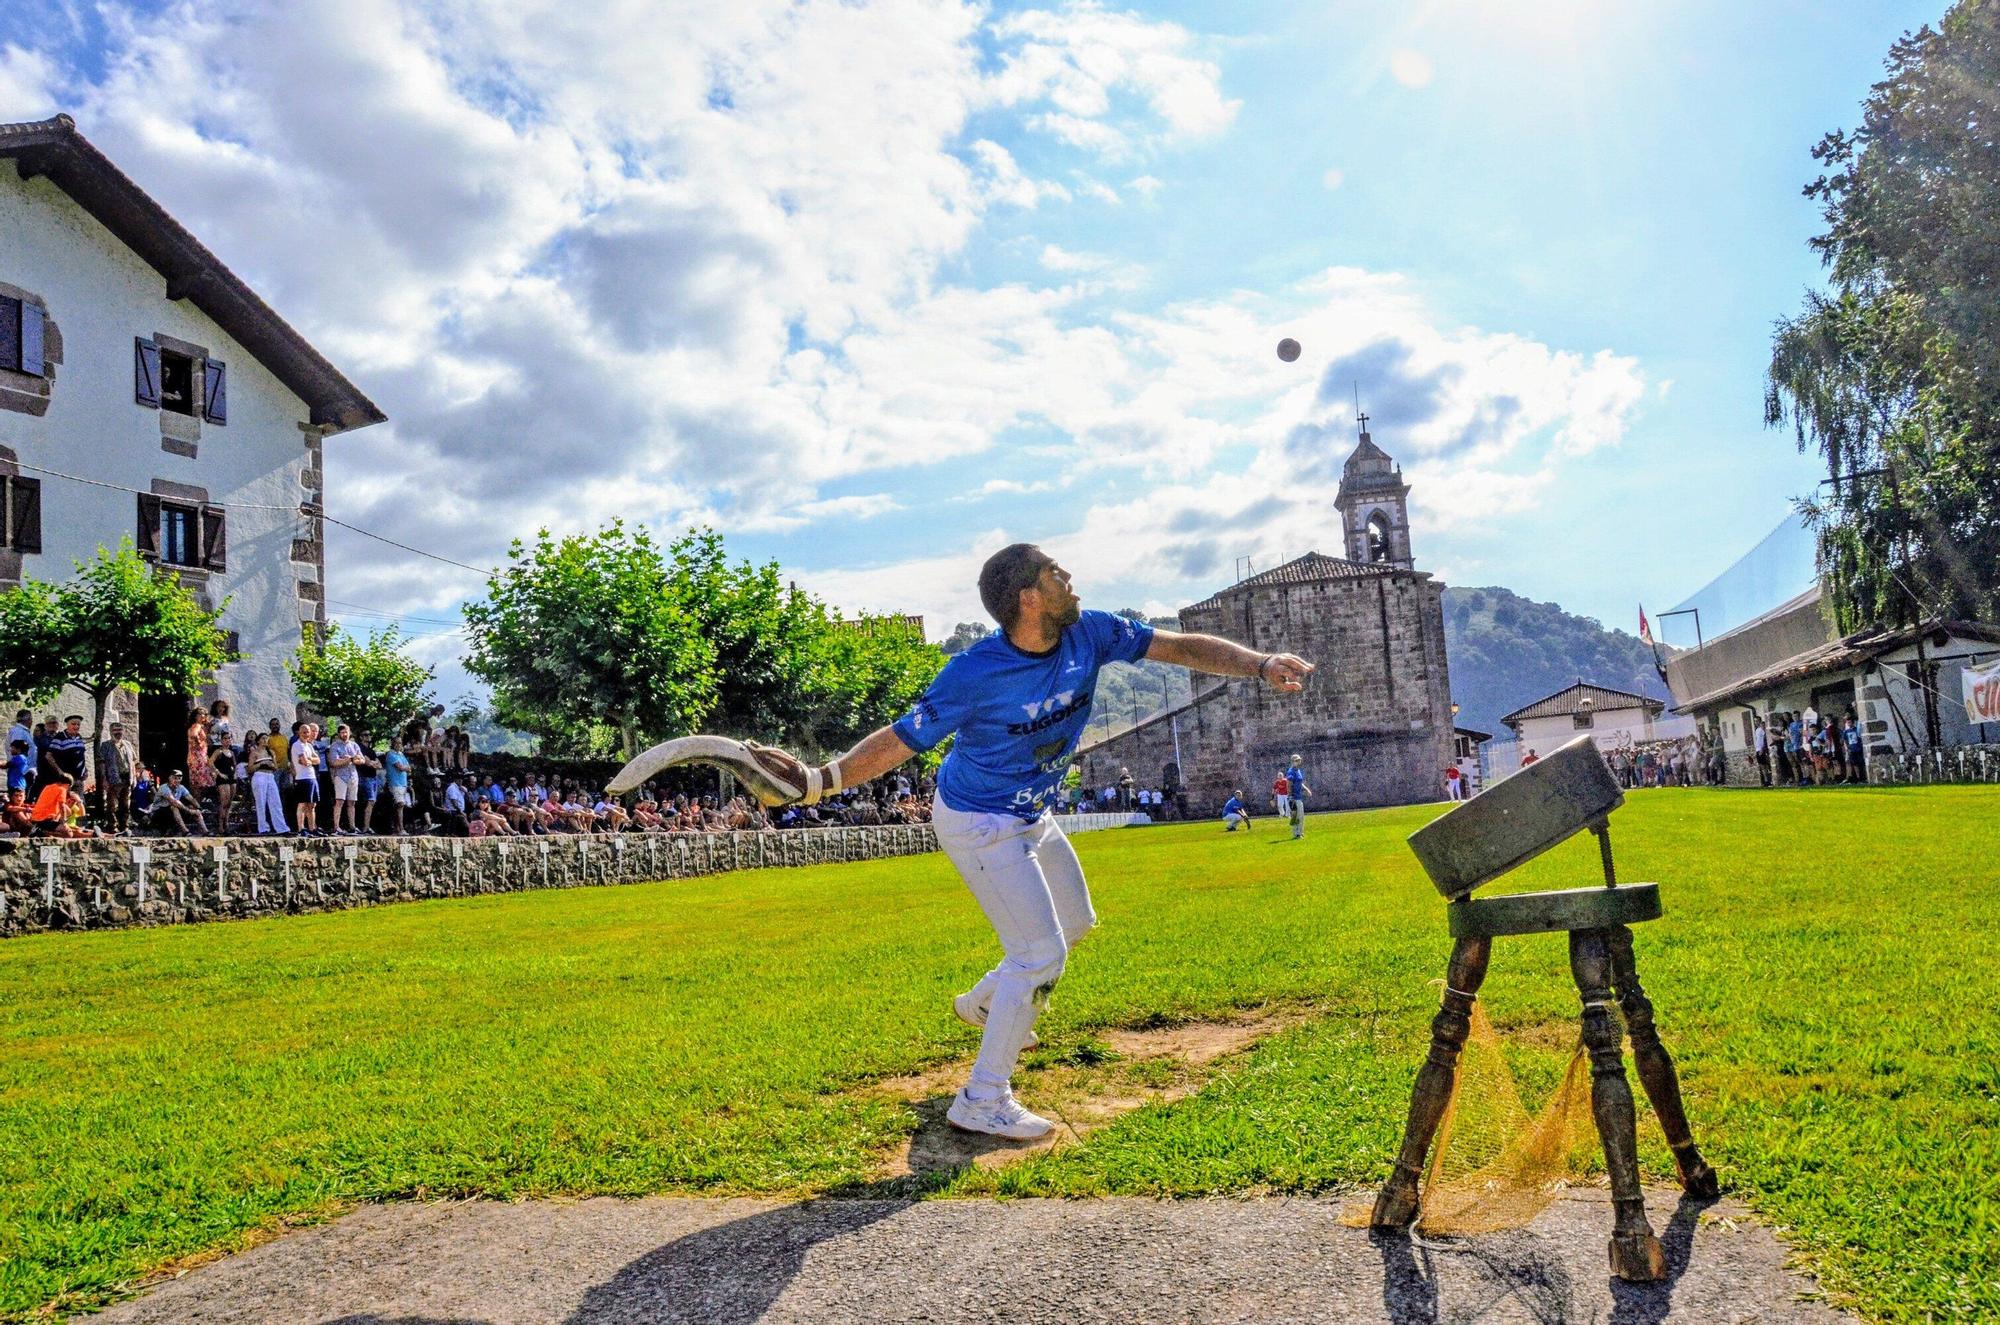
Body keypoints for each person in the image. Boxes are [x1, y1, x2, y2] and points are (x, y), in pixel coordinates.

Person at [734, 544, 1313, 1139]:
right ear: (1028, 598)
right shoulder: (972, 672)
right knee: (1039, 955)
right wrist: (818, 781)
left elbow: (1177, 647)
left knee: (1075, 922)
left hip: (1030, 812)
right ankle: (982, 1099)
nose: (1070, 578)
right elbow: (901, 739)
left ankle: (985, 1004)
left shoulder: (1091, 632)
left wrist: (1261, 663)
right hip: (978, 819)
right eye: (1056, 574)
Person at [96, 721, 137, 835]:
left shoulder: (128, 744)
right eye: (115, 730)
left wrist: (134, 777)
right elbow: (102, 763)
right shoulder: (105, 745)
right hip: (113, 778)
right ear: (110, 731)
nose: (118, 732)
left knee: (125, 804)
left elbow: (133, 761)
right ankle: (112, 826)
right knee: (112, 805)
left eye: (120, 730)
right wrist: (104, 779)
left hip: (127, 778)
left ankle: (124, 826)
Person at [327, 724, 364, 834]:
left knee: (352, 802)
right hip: (340, 776)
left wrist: (350, 759)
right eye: (342, 732)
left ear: (349, 732)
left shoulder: (354, 745)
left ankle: (352, 826)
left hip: (353, 776)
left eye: (346, 732)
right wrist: (350, 759)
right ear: (339, 734)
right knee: (339, 801)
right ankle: (336, 827)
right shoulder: (334, 746)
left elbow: (361, 760)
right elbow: (334, 762)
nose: (344, 734)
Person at [147, 770, 207, 835]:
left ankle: (205, 831)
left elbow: (191, 799)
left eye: (179, 778)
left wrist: (199, 808)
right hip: (158, 814)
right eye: (175, 778)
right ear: (170, 778)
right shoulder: (164, 787)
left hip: (171, 813)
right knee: (174, 807)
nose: (177, 780)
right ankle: (185, 832)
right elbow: (173, 801)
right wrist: (189, 811)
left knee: (193, 807)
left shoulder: (181, 787)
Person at [248, 740, 287, 835]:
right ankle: (263, 828)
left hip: (270, 776)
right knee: (261, 802)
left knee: (276, 802)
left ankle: (281, 827)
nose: (265, 740)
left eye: (267, 738)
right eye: (263, 738)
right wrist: (261, 763)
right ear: (259, 740)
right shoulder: (254, 752)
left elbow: (276, 767)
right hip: (259, 775)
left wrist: (271, 765)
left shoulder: (271, 752)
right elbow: (250, 768)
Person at [291, 722, 323, 836]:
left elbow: (318, 760)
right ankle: (301, 828)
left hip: (312, 777)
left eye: (307, 732)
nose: (306, 734)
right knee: (302, 804)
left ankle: (312, 828)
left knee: (312, 804)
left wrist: (309, 760)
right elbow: (304, 762)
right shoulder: (297, 745)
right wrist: (309, 760)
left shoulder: (309, 746)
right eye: (303, 732)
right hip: (302, 778)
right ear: (299, 733)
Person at [382, 737, 413, 835]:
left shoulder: (401, 755)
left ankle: (396, 828)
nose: (399, 745)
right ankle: (401, 829)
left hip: (403, 783)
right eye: (397, 743)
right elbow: (400, 767)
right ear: (393, 743)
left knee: (399, 806)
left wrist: (406, 768)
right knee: (400, 804)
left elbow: (409, 768)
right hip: (395, 783)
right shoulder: (391, 754)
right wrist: (405, 768)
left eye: (400, 743)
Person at [1283, 754, 1311, 839]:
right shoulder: (1291, 771)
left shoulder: (1298, 770)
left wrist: (1306, 789)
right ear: (1293, 762)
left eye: (1299, 760)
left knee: (1301, 816)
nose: (1299, 762)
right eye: (1297, 760)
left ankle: (1300, 833)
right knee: (1296, 816)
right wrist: (1290, 796)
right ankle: (1297, 834)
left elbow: (1299, 782)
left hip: (1299, 796)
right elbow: (1288, 784)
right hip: (1294, 797)